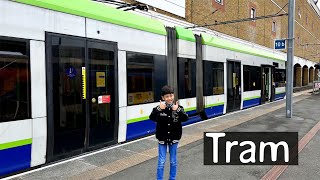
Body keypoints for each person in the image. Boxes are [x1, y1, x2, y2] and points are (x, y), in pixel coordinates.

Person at [149, 85, 188, 180]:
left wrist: (178, 110)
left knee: (173, 161)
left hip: (174, 138)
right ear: (163, 98)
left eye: (171, 96)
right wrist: (159, 109)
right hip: (162, 139)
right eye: (167, 96)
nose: (169, 98)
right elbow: (151, 117)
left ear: (173, 96)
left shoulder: (178, 108)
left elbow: (185, 118)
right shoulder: (159, 108)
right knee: (161, 162)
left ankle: (172, 178)